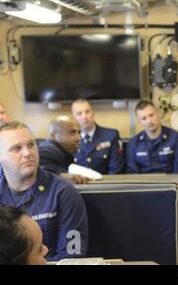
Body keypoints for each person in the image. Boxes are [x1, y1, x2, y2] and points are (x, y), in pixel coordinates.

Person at [0, 121, 88, 261]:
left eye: (31, 145)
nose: (28, 153)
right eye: (17, 148)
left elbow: (71, 257)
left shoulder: (63, 192)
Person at [126, 100, 178, 174]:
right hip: (144, 184)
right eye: (144, 118)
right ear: (139, 122)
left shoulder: (176, 139)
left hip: (170, 184)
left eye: (151, 115)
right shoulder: (133, 143)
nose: (149, 121)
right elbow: (132, 174)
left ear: (158, 114)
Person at [71, 99, 125, 174]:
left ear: (93, 113)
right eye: (79, 113)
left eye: (87, 112)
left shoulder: (111, 135)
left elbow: (116, 169)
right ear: (73, 117)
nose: (84, 117)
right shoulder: (69, 139)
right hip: (79, 185)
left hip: (105, 184)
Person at [38, 116, 88, 184]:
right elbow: (42, 177)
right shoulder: (46, 152)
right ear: (53, 135)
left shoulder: (63, 152)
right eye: (72, 132)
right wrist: (60, 176)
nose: (78, 138)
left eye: (79, 133)